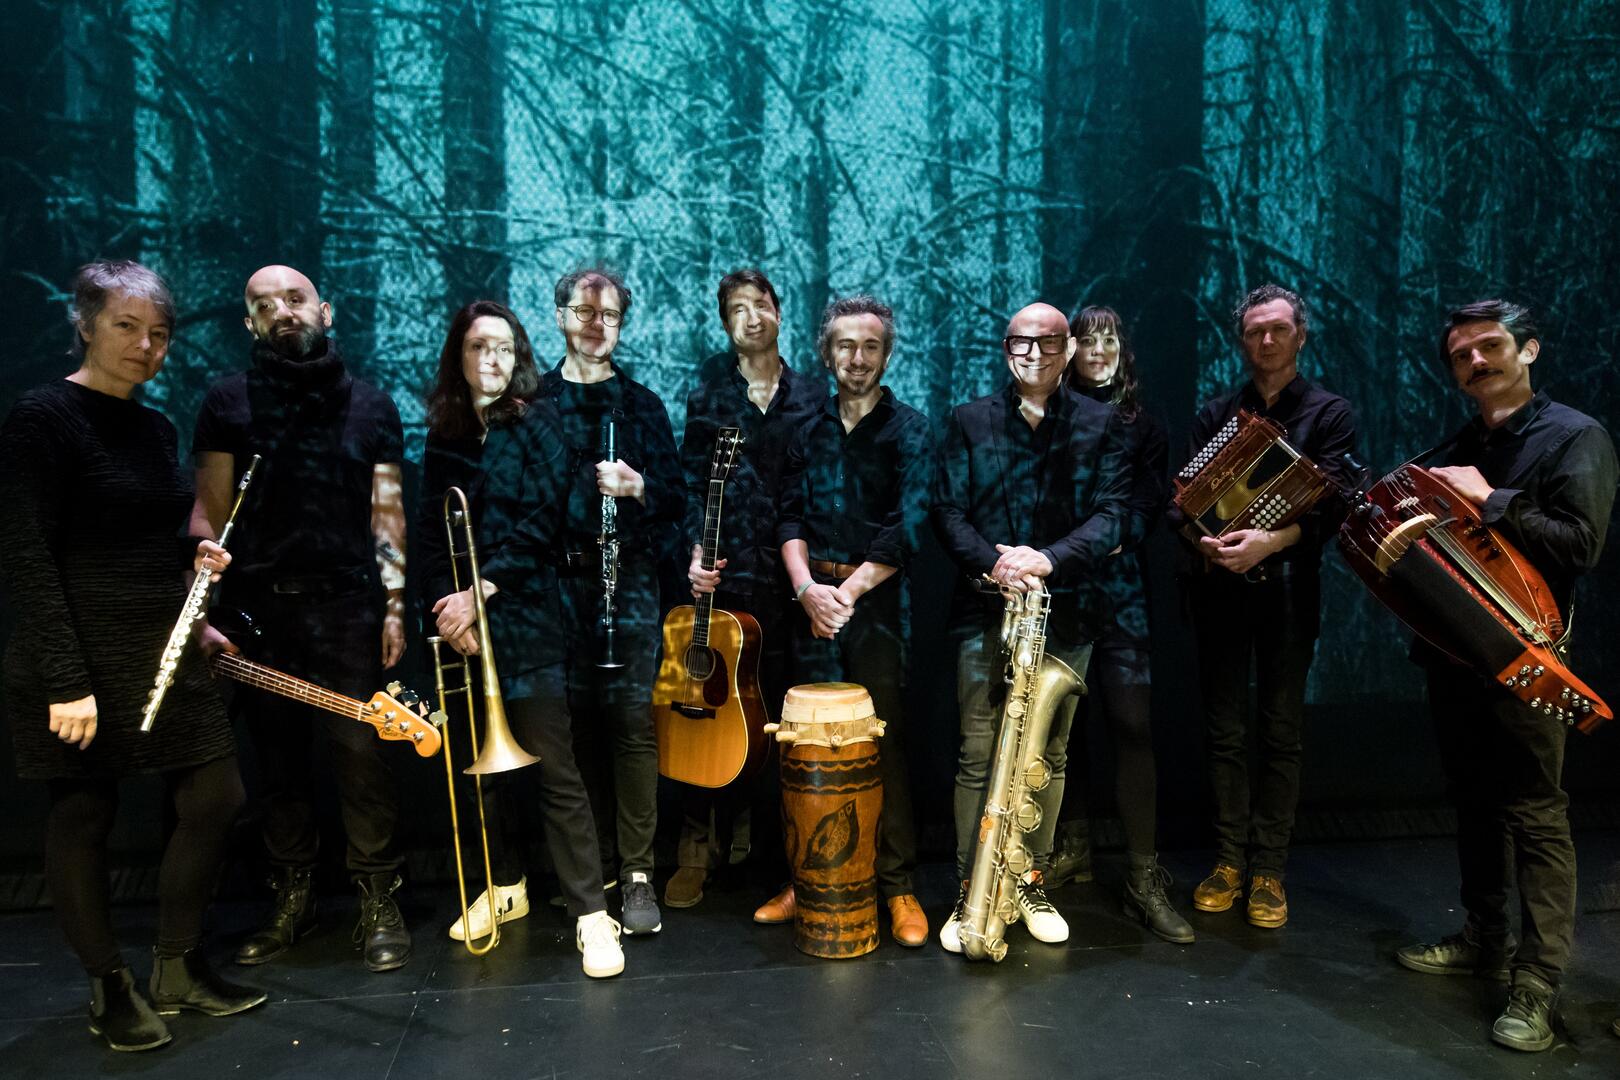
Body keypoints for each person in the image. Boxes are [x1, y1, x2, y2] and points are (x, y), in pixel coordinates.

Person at [0, 260, 265, 1052]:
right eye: (127, 326)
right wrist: (65, 679)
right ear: (85, 324)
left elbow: (142, 540)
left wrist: (192, 568)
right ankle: (109, 985)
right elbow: (26, 554)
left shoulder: (153, 428)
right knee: (84, 813)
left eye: (159, 333)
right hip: (76, 653)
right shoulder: (41, 418)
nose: (146, 345)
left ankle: (177, 968)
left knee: (215, 796)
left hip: (156, 648)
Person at [1394, 300, 1616, 1052]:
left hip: (1530, 660)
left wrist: (1491, 499)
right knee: (1473, 802)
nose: (1476, 362)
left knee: (1534, 813)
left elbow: (1580, 545)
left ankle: (1538, 983)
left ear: (1529, 349)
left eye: (1490, 346)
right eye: (1461, 355)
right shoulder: (1460, 443)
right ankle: (1483, 938)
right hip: (1456, 656)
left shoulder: (1577, 436)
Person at [191, 264, 411, 972]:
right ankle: (293, 898)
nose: (282, 311)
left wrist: (395, 605)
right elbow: (210, 515)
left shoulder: (372, 405)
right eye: (264, 305)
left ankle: (378, 898)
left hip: (348, 606)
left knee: (362, 758)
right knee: (277, 764)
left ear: (326, 310)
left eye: (294, 298)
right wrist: (203, 606)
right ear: (249, 323)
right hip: (259, 611)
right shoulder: (227, 402)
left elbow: (387, 515)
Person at [422, 299, 625, 978]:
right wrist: (446, 612)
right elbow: (430, 535)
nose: (493, 359)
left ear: (520, 358)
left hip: (526, 616)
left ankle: (592, 914)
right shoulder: (444, 436)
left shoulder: (539, 424)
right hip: (461, 627)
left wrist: (477, 595)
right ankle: (503, 886)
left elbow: (546, 522)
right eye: (479, 347)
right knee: (478, 772)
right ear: (459, 356)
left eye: (505, 349)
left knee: (555, 771)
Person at [932, 301, 1131, 953]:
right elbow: (947, 511)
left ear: (1069, 349)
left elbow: (1113, 515)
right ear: (1006, 349)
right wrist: (997, 565)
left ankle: (1028, 881)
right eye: (1022, 342)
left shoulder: (1102, 423)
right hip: (984, 608)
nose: (1035, 353)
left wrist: (1047, 559)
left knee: (1048, 755)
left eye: (1049, 342)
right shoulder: (968, 421)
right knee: (977, 754)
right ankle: (972, 888)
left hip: (1067, 609)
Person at [757, 295, 934, 946]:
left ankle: (897, 886)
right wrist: (808, 590)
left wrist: (846, 595)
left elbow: (909, 525)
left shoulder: (910, 430)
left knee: (881, 742)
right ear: (827, 353)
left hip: (876, 604)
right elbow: (787, 518)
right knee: (805, 745)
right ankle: (803, 882)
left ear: (886, 355)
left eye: (870, 347)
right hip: (810, 603)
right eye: (845, 346)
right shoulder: (805, 430)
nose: (857, 358)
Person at [1185, 283, 1357, 930]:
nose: (1266, 340)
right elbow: (1187, 502)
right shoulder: (1216, 413)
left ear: (1299, 336)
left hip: (1288, 589)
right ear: (1242, 339)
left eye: (1278, 329)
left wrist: (1273, 541)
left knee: (1280, 733)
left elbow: (1337, 504)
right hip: (1221, 591)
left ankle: (1268, 871)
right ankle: (1229, 861)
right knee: (1225, 732)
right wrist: (1205, 541)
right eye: (1255, 330)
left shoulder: (1329, 413)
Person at [668, 268, 826, 909]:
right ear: (725, 322)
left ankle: (770, 855)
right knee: (708, 707)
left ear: (779, 312)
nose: (751, 317)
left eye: (760, 305)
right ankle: (697, 851)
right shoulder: (707, 392)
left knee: (778, 718)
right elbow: (686, 482)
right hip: (726, 576)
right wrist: (693, 551)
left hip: (794, 581)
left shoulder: (812, 395)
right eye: (737, 309)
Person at [537, 268, 681, 937]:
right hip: (557, 587)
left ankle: (639, 872)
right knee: (570, 732)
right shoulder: (533, 402)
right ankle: (586, 871)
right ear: (559, 316)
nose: (597, 325)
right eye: (584, 311)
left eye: (611, 315)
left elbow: (676, 505)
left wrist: (638, 487)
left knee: (630, 727)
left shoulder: (643, 406)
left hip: (630, 585)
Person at [1048, 306, 1193, 944]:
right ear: (1070, 351)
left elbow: (1147, 506)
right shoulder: (1049, 416)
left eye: (1110, 339)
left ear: (1121, 350)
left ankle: (1142, 876)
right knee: (1062, 724)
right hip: (1060, 588)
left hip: (1121, 589)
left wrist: (1104, 539)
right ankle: (1073, 848)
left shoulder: (1145, 424)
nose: (1099, 350)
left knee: (1131, 724)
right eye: (1088, 340)